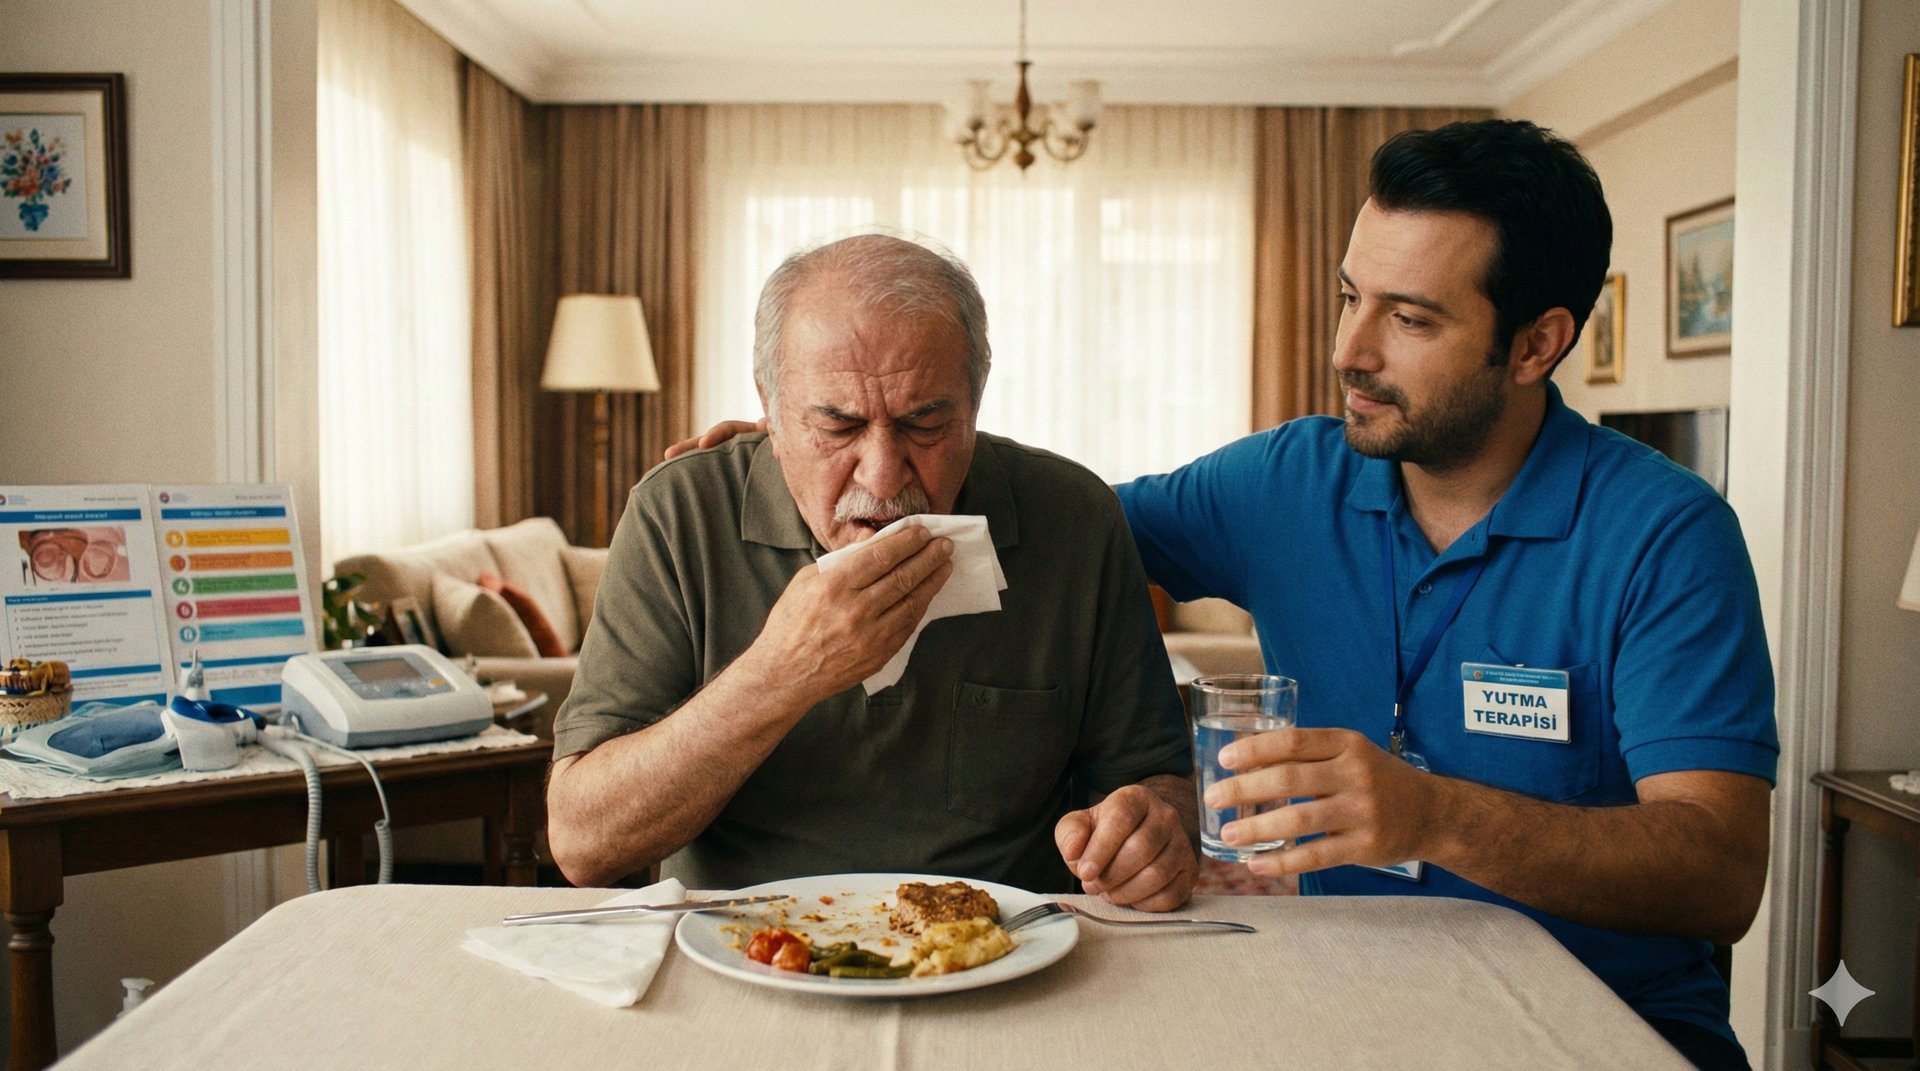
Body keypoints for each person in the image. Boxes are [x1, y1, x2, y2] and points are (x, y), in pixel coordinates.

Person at [671, 122, 1777, 1070]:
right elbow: (1055, 523)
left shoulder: (1665, 536)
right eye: (1351, 297)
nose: (1349, 348)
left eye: (1412, 318)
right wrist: (803, 452)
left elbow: (1719, 875)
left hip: (1591, 1024)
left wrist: (1433, 814)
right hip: (1335, 997)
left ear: (1538, 343)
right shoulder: (1290, 478)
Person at [547, 234, 1198, 912]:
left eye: (926, 423)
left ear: (975, 402)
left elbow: (1158, 783)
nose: (883, 475)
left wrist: (1153, 832)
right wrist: (781, 671)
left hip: (1002, 957)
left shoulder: (1076, 517)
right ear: (770, 408)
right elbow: (584, 846)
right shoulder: (678, 514)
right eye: (837, 424)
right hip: (744, 956)